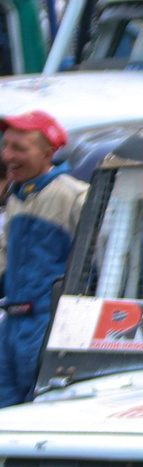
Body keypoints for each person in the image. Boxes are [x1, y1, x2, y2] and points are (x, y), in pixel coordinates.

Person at [0, 110, 83, 407]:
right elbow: (5, 257)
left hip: (51, 327)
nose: (7, 155)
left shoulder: (74, 196)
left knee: (40, 410)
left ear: (48, 153)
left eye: (19, 148)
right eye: (5, 145)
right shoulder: (17, 197)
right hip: (11, 324)